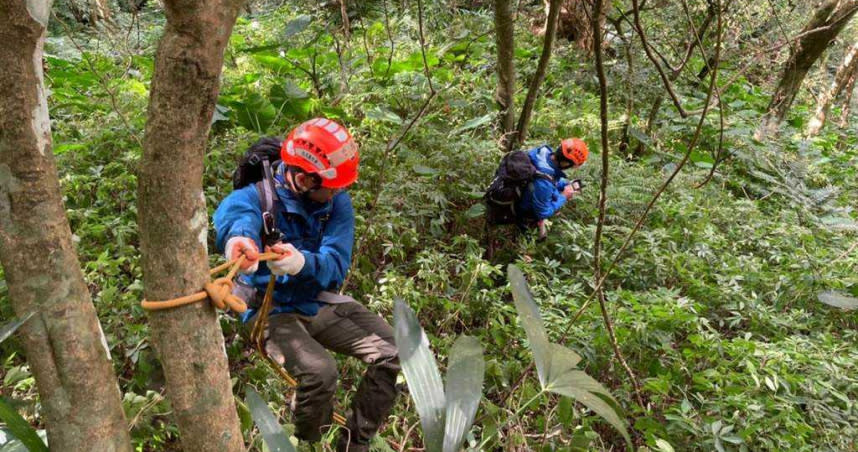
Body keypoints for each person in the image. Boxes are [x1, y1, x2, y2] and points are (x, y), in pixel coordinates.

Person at [213, 118, 398, 452]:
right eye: (333, 186)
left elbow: (336, 265)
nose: (340, 192)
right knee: (320, 373)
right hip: (271, 310)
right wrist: (239, 240)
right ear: (303, 178)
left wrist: (302, 264)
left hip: (317, 301)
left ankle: (355, 444)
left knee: (395, 352)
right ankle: (308, 442)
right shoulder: (258, 198)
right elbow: (237, 215)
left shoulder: (335, 203)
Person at [515, 138, 588, 238]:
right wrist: (564, 196)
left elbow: (549, 176)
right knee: (553, 201)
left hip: (528, 188)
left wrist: (564, 184)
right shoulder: (544, 184)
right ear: (565, 163)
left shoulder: (544, 153)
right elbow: (543, 212)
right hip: (523, 206)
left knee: (553, 192)